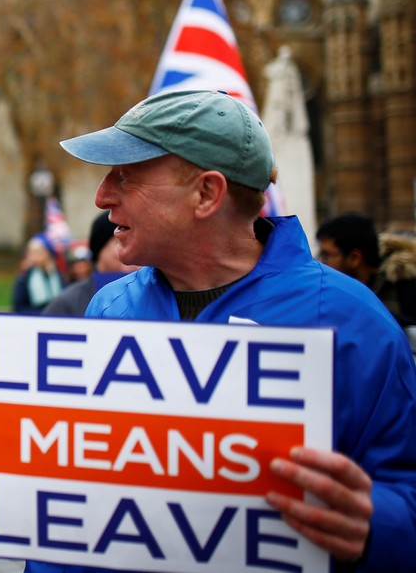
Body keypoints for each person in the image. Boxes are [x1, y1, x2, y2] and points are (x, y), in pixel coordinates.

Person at [26, 90, 416, 572]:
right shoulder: (109, 305)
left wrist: (377, 528)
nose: (102, 195)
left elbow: (404, 489)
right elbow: (74, 497)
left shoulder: (353, 322)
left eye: (126, 175)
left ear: (207, 193)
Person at [316, 212, 416, 328]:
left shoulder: (407, 286)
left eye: (326, 255)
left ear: (354, 258)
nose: (320, 262)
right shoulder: (328, 290)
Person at [42, 211, 138, 317]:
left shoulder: (150, 293)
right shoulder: (68, 302)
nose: (132, 250)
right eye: (121, 242)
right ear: (100, 249)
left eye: (136, 242)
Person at [12, 235, 64, 314]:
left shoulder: (57, 276)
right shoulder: (25, 277)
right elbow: (19, 307)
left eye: (38, 252)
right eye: (31, 253)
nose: (33, 256)